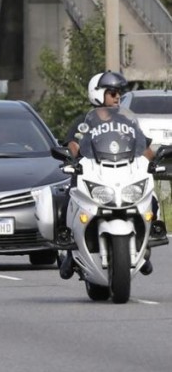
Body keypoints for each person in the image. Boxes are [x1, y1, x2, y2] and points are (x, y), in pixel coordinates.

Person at [59, 71, 158, 276]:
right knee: (66, 199)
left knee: (151, 199)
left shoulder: (127, 121)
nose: (117, 97)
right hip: (94, 175)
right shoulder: (84, 122)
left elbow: (144, 147)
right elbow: (73, 145)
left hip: (123, 175)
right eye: (112, 93)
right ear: (97, 93)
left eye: (119, 93)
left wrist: (153, 158)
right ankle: (69, 249)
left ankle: (145, 245)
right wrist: (73, 157)